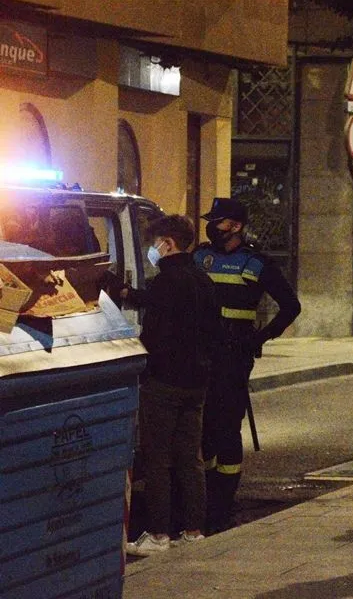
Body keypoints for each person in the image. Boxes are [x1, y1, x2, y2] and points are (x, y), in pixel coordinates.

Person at [194, 198, 301, 534]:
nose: (213, 226)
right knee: (204, 431)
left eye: (219, 221)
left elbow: (290, 306)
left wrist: (260, 338)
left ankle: (223, 505)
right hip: (200, 354)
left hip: (233, 358)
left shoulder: (256, 262)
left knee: (226, 430)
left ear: (236, 226)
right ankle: (206, 497)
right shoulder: (199, 256)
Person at [118, 215, 219, 556]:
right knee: (190, 459)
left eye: (156, 242)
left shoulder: (165, 282)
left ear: (168, 243)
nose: (153, 249)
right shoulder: (204, 281)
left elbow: (155, 332)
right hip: (196, 383)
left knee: (158, 458)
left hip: (164, 382)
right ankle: (193, 530)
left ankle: (159, 533)